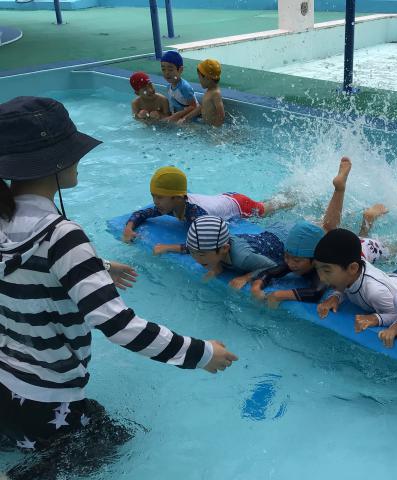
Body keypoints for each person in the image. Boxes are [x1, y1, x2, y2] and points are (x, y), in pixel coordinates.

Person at [0, 97, 238, 479]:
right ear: (55, 162)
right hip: (45, 401)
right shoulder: (62, 236)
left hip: (5, 388)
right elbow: (120, 326)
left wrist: (99, 267)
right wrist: (202, 354)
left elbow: (25, 270)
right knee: (114, 443)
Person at [249, 157, 390, 307]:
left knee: (386, 250)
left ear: (314, 260)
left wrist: (279, 295)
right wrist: (256, 286)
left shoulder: (323, 268)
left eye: (296, 260)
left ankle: (367, 217)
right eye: (287, 257)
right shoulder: (297, 259)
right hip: (347, 247)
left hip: (366, 250)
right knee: (330, 230)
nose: (289, 263)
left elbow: (315, 293)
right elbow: (271, 272)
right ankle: (362, 213)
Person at [122, 165, 290, 255]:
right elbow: (141, 214)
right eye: (153, 196)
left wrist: (169, 247)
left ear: (177, 198)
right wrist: (129, 229)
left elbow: (204, 247)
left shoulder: (196, 213)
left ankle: (294, 198)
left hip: (240, 205)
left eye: (159, 197)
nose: (155, 202)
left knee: (270, 208)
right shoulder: (170, 204)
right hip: (225, 198)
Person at [179, 59, 225, 127]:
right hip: (206, 126)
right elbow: (201, 108)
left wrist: (216, 130)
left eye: (199, 77)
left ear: (207, 78)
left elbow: (221, 115)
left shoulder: (215, 94)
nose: (199, 80)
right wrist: (186, 118)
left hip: (212, 129)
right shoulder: (209, 91)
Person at [160, 50, 198, 123]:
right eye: (163, 69)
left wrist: (177, 116)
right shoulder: (169, 87)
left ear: (180, 70)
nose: (167, 73)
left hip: (189, 119)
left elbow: (194, 107)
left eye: (170, 69)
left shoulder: (184, 87)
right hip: (178, 117)